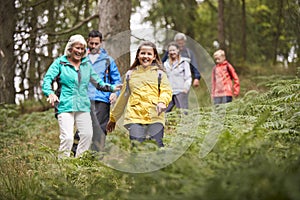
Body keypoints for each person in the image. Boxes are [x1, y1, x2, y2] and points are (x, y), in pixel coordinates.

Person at [42, 34, 121, 158]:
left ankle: (78, 164)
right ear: (70, 47)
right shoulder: (60, 62)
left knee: (87, 135)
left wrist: (112, 89)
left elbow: (98, 83)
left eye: (81, 49)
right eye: (77, 48)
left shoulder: (86, 65)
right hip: (65, 104)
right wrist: (50, 92)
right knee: (67, 138)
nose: (79, 51)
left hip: (84, 105)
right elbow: (47, 80)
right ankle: (63, 167)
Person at [106, 41, 172, 148]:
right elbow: (122, 99)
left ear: (154, 56)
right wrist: (113, 118)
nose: (146, 56)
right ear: (138, 55)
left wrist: (162, 102)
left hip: (155, 116)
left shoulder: (160, 74)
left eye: (149, 54)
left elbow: (166, 91)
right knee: (137, 147)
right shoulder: (130, 75)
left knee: (156, 146)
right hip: (134, 118)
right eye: (143, 53)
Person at [86, 30, 122, 152]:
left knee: (100, 130)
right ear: (88, 42)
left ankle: (96, 158)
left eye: (96, 43)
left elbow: (116, 80)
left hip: (102, 99)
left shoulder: (108, 60)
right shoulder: (81, 58)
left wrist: (114, 93)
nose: (94, 46)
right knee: (83, 129)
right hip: (84, 98)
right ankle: (75, 156)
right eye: (91, 43)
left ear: (101, 43)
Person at [164, 42, 192, 112]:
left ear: (178, 50)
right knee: (164, 112)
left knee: (183, 112)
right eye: (170, 50)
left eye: (174, 50)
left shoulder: (184, 62)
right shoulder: (166, 64)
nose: (172, 52)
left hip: (181, 91)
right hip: (169, 92)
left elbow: (188, 77)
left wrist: (186, 88)